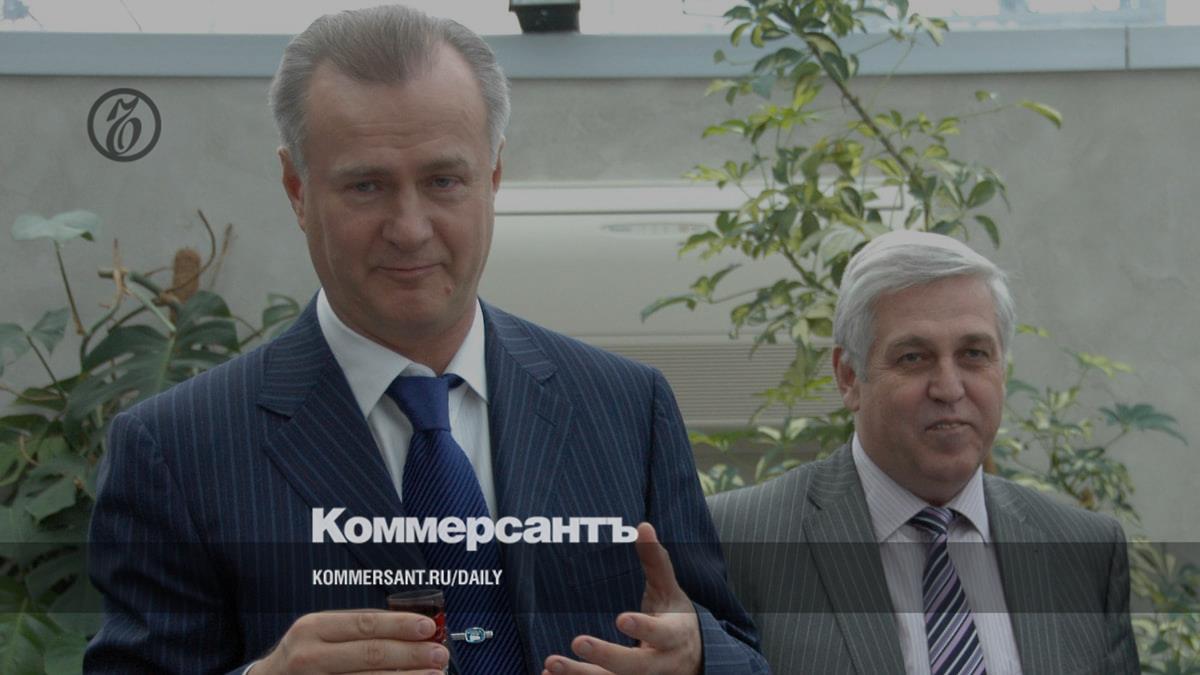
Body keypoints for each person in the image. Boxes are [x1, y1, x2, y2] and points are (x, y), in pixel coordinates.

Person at [84, 5, 767, 674]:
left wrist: (697, 659)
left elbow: (733, 645)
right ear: (297, 189)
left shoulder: (627, 408)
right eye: (366, 186)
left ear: (492, 177)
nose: (409, 229)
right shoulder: (174, 451)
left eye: (443, 180)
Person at [708, 230, 1138, 674]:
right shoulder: (734, 542)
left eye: (974, 354)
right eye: (914, 358)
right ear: (849, 377)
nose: (949, 388)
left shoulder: (1085, 551)